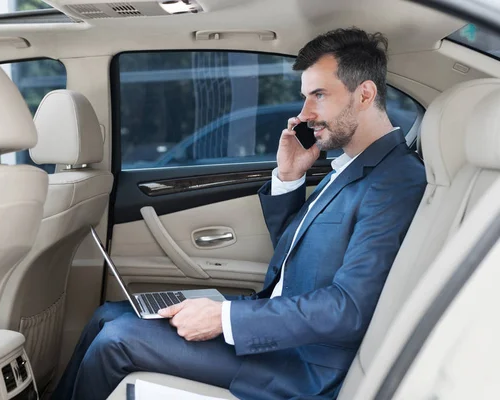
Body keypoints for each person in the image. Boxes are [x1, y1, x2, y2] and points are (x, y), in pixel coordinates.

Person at [51, 27, 427, 400]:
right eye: (304, 97)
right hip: (279, 332)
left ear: (365, 94)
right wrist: (288, 178)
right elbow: (297, 256)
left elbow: (349, 308)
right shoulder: (350, 165)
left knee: (117, 341)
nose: (305, 113)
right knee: (107, 316)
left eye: (319, 95)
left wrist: (224, 318)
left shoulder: (395, 180)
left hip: (304, 364)